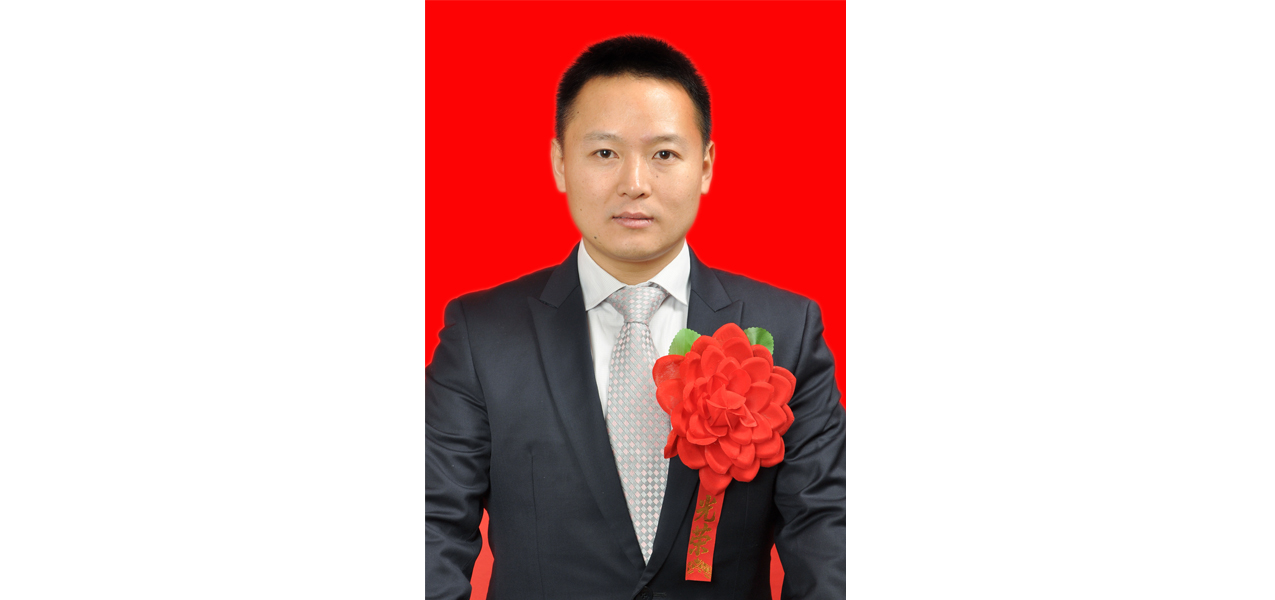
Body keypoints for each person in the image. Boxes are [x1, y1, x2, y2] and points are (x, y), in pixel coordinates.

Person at [426, 36, 845, 600]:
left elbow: (829, 532)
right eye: (605, 153)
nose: (634, 183)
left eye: (664, 154)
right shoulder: (481, 337)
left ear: (705, 166)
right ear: (560, 163)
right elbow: (430, 527)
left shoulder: (788, 331)